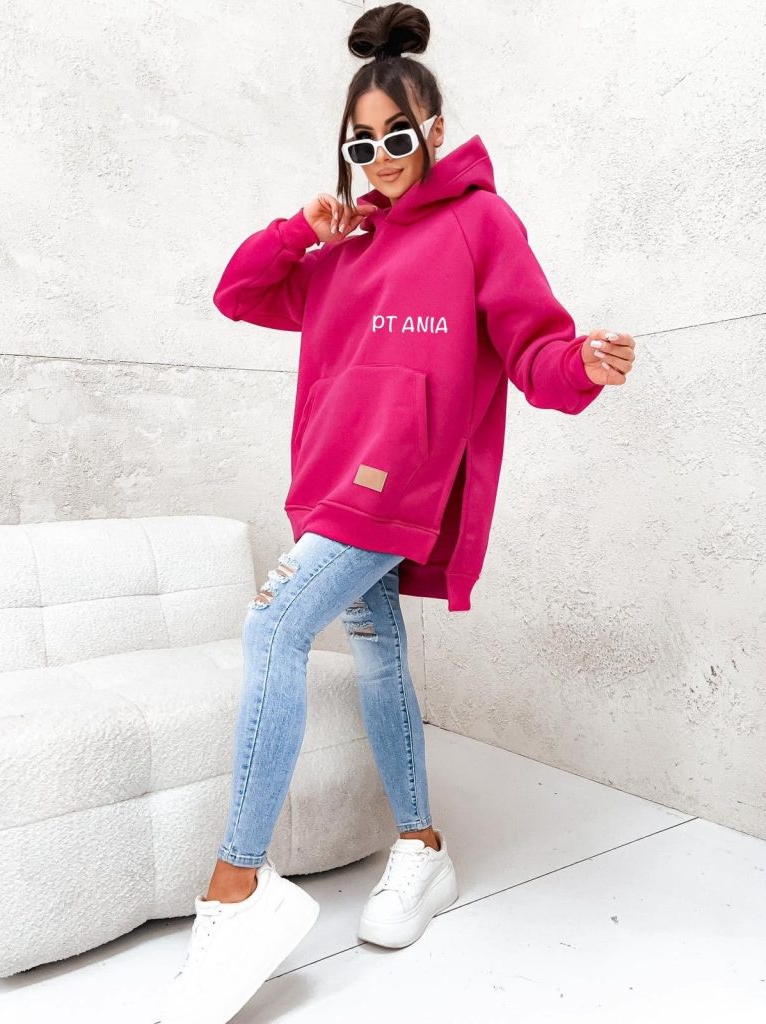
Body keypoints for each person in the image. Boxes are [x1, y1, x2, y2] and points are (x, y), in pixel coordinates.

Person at [161, 3, 636, 1021]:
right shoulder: (344, 245)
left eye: (396, 136)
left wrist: (582, 366)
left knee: (272, 626)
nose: (378, 158)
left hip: (399, 486)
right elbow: (238, 294)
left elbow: (533, 345)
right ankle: (422, 846)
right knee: (377, 655)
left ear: (434, 129)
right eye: (360, 143)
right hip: (325, 486)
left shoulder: (480, 224)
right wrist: (302, 229)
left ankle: (237, 886)